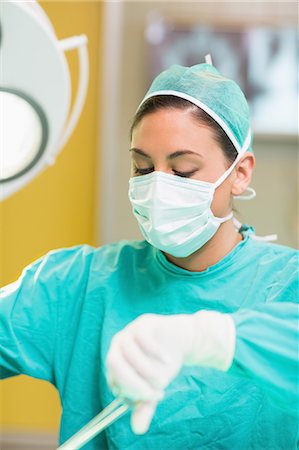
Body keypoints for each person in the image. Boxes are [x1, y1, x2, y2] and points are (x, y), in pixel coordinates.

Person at [0, 58, 298, 450]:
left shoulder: (285, 285)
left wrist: (209, 337)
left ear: (240, 173)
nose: (159, 186)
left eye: (184, 170)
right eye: (142, 168)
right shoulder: (80, 283)